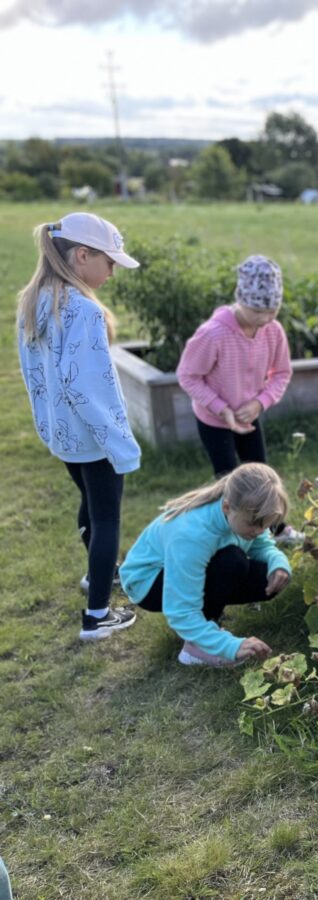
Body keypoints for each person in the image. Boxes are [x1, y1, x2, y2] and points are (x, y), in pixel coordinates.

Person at [16, 212, 142, 641]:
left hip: (64, 435)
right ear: (82, 254)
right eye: (109, 261)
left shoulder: (34, 302)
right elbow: (89, 388)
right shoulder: (84, 311)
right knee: (107, 518)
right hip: (93, 435)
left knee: (89, 505)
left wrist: (48, 425)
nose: (112, 271)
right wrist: (120, 443)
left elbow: (35, 375)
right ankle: (97, 617)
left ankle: (98, 574)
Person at [119, 462, 291, 667]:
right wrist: (228, 645)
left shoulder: (239, 511)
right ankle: (196, 647)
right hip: (147, 582)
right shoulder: (193, 535)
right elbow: (180, 611)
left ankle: (203, 627)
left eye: (266, 524)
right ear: (227, 507)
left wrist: (277, 562)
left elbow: (260, 543)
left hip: (185, 566)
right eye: (254, 524)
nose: (260, 530)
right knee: (232, 562)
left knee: (263, 576)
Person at [177, 255, 293, 477]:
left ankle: (260, 513)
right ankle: (225, 512)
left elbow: (282, 373)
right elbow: (187, 376)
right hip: (214, 419)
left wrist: (260, 403)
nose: (265, 318)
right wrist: (221, 408)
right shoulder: (213, 334)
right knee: (227, 482)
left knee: (261, 477)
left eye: (272, 310)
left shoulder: (274, 331)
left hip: (249, 416)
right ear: (241, 300)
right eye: (257, 311)